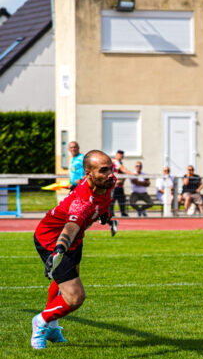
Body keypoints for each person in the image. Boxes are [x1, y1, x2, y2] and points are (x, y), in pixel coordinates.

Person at [30, 150, 117, 348]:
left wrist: (104, 212)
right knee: (75, 297)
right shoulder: (81, 203)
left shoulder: (108, 182)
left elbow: (101, 201)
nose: (110, 174)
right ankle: (41, 321)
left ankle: (51, 325)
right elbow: (69, 230)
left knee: (65, 282)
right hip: (52, 240)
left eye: (110, 168)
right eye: (103, 171)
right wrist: (59, 250)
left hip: (76, 239)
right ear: (88, 174)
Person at [111, 149, 130, 217]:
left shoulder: (120, 163)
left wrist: (123, 179)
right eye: (119, 154)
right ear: (116, 155)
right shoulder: (115, 161)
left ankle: (123, 212)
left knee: (121, 199)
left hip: (120, 185)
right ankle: (111, 213)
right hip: (113, 185)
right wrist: (132, 174)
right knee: (112, 200)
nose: (121, 155)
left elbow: (122, 172)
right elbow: (122, 169)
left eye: (122, 154)